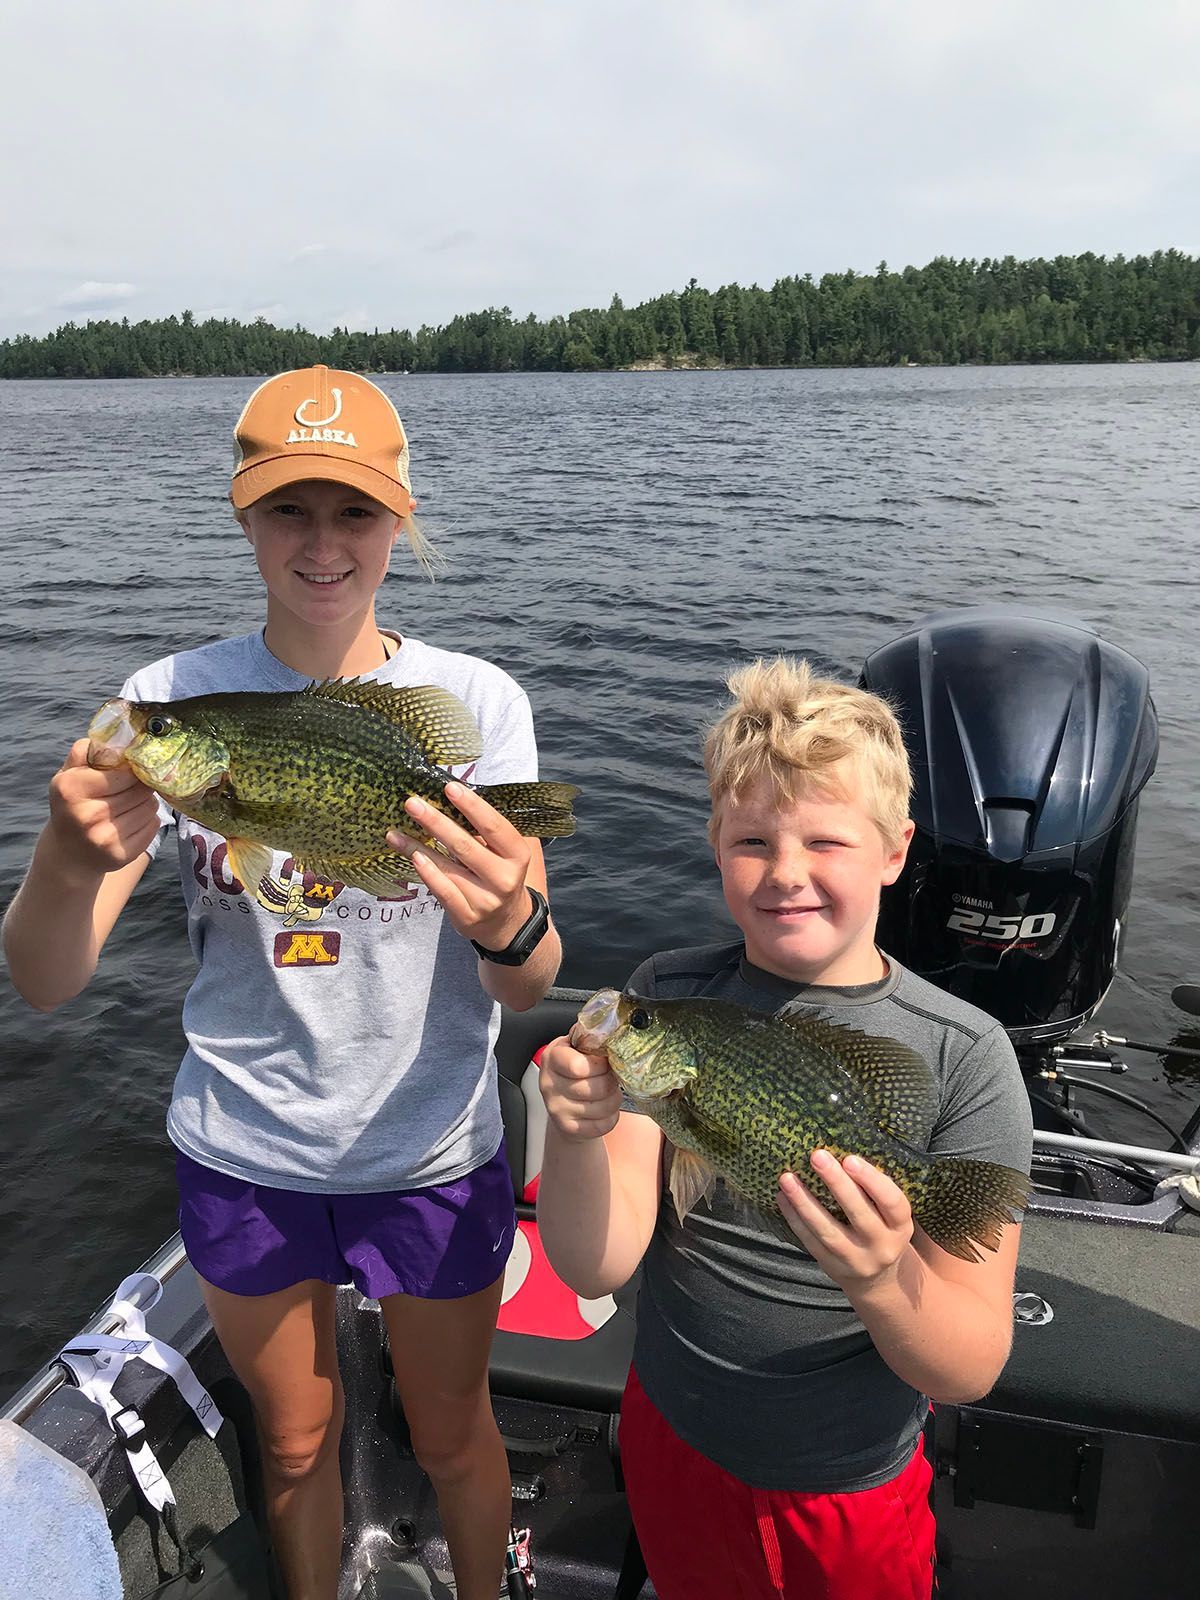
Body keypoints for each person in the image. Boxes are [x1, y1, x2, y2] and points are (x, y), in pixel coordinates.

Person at [3, 365, 565, 1600]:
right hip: (242, 1149)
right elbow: (45, 979)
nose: (323, 545)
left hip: (429, 1150)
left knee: (455, 1432)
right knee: (298, 1439)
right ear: (243, 516)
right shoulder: (161, 704)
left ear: (400, 518)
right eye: (288, 511)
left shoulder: (476, 704)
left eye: (355, 513)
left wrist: (513, 918)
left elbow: (529, 983)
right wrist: (61, 853)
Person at [535, 657, 1033, 1600]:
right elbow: (594, 1266)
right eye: (753, 840)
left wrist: (882, 1277)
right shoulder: (670, 997)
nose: (786, 873)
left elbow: (970, 1366)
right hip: (671, 1440)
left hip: (845, 1490)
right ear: (715, 846)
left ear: (895, 852)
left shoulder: (965, 1054)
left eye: (826, 842)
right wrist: (574, 1129)